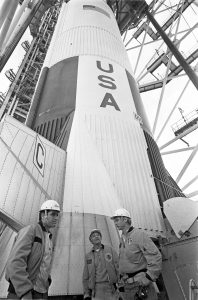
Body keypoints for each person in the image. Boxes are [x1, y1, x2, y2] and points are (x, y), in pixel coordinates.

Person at [5, 199, 61, 300]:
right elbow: (15, 262)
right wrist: (25, 292)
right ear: (43, 214)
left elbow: (44, 263)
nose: (56, 218)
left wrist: (47, 280)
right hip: (23, 293)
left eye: (57, 215)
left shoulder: (48, 238)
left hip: (41, 292)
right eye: (53, 214)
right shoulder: (30, 230)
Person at [111, 208, 162, 300]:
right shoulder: (123, 238)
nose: (115, 223)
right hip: (127, 286)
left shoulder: (139, 234)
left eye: (117, 220)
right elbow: (124, 261)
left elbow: (155, 256)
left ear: (125, 219)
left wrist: (149, 277)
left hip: (140, 285)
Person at [82, 228, 119, 300]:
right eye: (93, 236)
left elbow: (118, 267)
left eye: (98, 235)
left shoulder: (110, 250)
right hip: (96, 290)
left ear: (101, 237)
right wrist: (86, 293)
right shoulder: (88, 256)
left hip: (111, 289)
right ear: (91, 240)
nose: (96, 237)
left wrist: (121, 285)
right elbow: (85, 275)